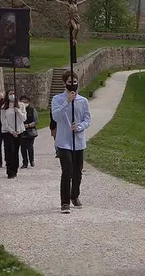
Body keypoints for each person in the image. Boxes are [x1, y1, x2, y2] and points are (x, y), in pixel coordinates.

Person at [52, 70, 92, 214]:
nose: (73, 85)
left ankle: (75, 196)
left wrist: (80, 126)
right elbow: (56, 116)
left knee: (77, 172)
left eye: (75, 82)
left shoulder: (83, 101)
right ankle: (65, 202)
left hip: (78, 141)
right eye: (70, 82)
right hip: (64, 141)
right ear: (64, 83)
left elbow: (87, 119)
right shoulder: (57, 99)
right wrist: (67, 102)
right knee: (67, 171)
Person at [1, 90, 27, 179]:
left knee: (15, 151)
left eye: (13, 94)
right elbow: (3, 121)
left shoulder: (21, 105)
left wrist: (18, 111)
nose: (12, 95)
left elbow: (24, 118)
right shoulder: (4, 107)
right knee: (9, 150)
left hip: (19, 131)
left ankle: (15, 169)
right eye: (10, 94)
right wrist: (11, 131)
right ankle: (10, 171)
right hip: (8, 132)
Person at [19, 95, 38, 168]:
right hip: (21, 131)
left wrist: (29, 125)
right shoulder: (19, 110)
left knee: (30, 147)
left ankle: (31, 160)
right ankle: (25, 162)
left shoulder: (32, 110)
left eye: (26, 102)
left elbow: (36, 121)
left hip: (30, 131)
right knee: (23, 148)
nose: (24, 104)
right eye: (22, 102)